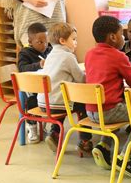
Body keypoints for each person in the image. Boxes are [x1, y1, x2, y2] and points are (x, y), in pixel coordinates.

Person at [85, 15, 131, 178]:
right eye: (122, 33)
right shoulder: (118, 56)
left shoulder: (89, 54)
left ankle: (104, 146)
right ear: (113, 37)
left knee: (120, 105)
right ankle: (125, 157)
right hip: (108, 112)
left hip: (91, 111)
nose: (125, 37)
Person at [37, 22, 93, 156]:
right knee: (85, 104)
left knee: (62, 101)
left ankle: (54, 133)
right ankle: (85, 141)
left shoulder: (50, 56)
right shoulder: (68, 57)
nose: (76, 43)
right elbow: (81, 79)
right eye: (73, 39)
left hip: (43, 103)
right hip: (57, 104)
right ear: (62, 41)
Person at [17, 22, 52, 144]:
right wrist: (38, 64)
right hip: (29, 88)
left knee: (54, 96)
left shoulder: (49, 49)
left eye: (46, 41)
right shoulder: (24, 53)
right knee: (33, 100)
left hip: (45, 86)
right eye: (40, 42)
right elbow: (22, 69)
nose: (44, 45)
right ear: (30, 41)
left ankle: (48, 127)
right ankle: (32, 127)